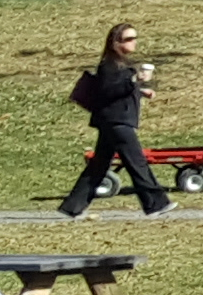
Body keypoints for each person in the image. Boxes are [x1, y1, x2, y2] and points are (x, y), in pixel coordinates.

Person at [64, 20, 170, 220]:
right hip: (116, 122)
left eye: (135, 38)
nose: (133, 42)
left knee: (99, 166)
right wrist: (135, 82)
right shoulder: (108, 65)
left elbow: (120, 90)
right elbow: (108, 91)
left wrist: (140, 91)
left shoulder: (122, 65)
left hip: (115, 121)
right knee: (136, 162)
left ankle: (72, 206)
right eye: (129, 39)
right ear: (116, 42)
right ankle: (155, 203)